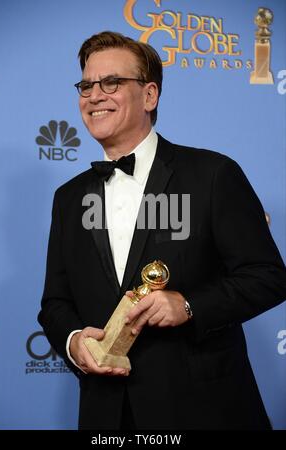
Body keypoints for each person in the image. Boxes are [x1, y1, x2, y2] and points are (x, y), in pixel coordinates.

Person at [38, 30, 286, 430]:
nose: (94, 95)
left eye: (112, 83)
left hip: (204, 409)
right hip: (106, 414)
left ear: (149, 96)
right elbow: (54, 302)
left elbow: (268, 277)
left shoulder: (213, 174)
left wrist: (188, 305)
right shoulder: (68, 199)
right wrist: (72, 341)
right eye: (86, 85)